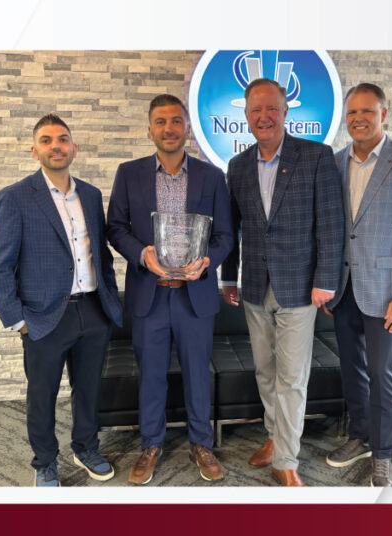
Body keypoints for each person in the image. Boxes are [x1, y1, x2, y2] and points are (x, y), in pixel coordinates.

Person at [0, 114, 123, 487]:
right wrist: (17, 319)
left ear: (73, 148)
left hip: (93, 311)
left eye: (62, 139)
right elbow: (0, 266)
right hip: (44, 317)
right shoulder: (15, 197)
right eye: (46, 140)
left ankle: (85, 447)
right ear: (35, 150)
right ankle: (45, 461)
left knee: (89, 388)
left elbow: (102, 254)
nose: (56, 146)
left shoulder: (92, 195)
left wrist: (108, 299)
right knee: (42, 396)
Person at [222, 79, 344, 487]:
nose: (264, 117)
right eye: (256, 110)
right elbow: (233, 227)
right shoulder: (237, 166)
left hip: (300, 288)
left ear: (285, 111)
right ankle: (275, 438)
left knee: (292, 377)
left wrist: (326, 280)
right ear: (246, 118)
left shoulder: (315, 156)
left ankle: (286, 459)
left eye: (271, 108)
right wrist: (228, 276)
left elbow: (330, 224)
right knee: (265, 370)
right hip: (255, 285)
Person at [107, 94, 234, 484]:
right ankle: (151, 443)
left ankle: (201, 443)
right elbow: (115, 228)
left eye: (176, 121)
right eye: (160, 122)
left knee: (198, 371)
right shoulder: (128, 174)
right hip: (150, 292)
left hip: (194, 295)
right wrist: (142, 255)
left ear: (187, 128)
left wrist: (208, 260)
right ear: (149, 129)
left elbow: (227, 234)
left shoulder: (212, 176)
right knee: (151, 373)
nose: (168, 128)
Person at [322, 83, 392, 487]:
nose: (358, 119)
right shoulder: (333, 164)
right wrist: (325, 283)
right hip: (342, 288)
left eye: (367, 111)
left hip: (386, 293)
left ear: (384, 113)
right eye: (352, 113)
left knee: (382, 372)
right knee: (352, 368)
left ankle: (383, 454)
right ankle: (360, 436)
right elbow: (332, 231)